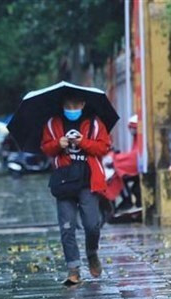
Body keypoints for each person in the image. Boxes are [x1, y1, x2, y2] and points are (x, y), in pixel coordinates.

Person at [40, 92, 111, 286]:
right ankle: (73, 269)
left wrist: (82, 142)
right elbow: (45, 148)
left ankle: (92, 253)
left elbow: (104, 147)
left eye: (76, 105)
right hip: (64, 182)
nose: (72, 110)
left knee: (91, 225)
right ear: (62, 105)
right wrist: (57, 144)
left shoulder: (94, 123)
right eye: (68, 106)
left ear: (83, 104)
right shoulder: (52, 123)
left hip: (89, 181)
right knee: (67, 227)